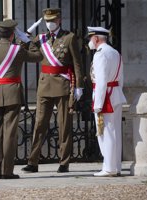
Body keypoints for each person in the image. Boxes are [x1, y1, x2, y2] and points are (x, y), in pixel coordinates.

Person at [21, 8, 83, 173]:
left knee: (64, 125)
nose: (50, 23)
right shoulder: (40, 39)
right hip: (44, 85)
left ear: (59, 20)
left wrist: (79, 86)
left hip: (62, 85)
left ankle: (64, 162)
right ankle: (33, 162)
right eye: (47, 20)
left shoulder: (69, 38)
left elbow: (77, 63)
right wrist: (24, 35)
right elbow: (23, 51)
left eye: (53, 20)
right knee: (39, 125)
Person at [0, 19, 43, 179]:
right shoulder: (17, 50)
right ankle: (7, 171)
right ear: (13, 34)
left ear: (0, 34)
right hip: (12, 95)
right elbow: (39, 56)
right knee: (9, 134)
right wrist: (28, 40)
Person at [87, 26, 127, 177]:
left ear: (96, 39)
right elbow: (121, 77)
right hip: (115, 93)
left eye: (90, 38)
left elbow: (102, 81)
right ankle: (115, 166)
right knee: (114, 132)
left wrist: (98, 104)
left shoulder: (100, 54)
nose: (90, 41)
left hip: (105, 96)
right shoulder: (115, 52)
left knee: (105, 132)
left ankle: (109, 167)